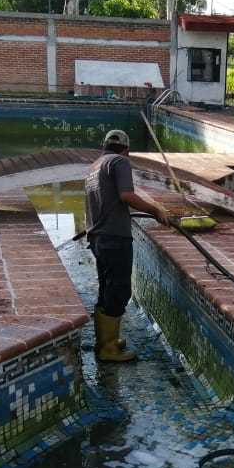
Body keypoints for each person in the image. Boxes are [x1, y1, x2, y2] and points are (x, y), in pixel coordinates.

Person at [84, 129, 171, 362]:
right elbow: (126, 195)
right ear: (126, 149)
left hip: (98, 237)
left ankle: (104, 341)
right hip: (114, 238)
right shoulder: (120, 161)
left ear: (104, 146)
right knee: (119, 290)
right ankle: (108, 349)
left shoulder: (95, 166)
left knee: (106, 289)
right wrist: (156, 210)